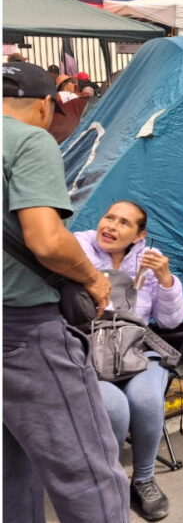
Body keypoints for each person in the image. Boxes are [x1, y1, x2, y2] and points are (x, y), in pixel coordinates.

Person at [3, 61, 129, 522]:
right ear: (44, 105)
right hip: (22, 330)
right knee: (88, 473)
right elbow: (47, 241)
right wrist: (92, 278)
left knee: (10, 468)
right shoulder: (30, 139)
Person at [75, 201, 183, 521]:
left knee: (146, 398)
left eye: (124, 223)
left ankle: (143, 479)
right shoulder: (78, 248)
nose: (111, 225)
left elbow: (170, 322)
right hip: (89, 352)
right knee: (115, 407)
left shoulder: (147, 263)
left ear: (140, 236)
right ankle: (110, 481)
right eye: (108, 216)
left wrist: (165, 279)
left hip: (137, 349)